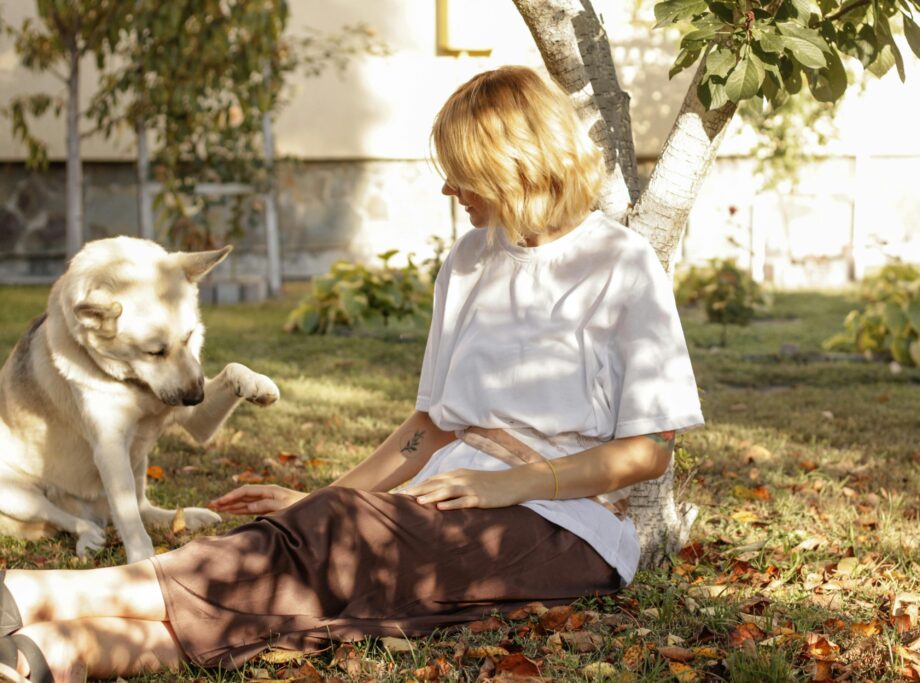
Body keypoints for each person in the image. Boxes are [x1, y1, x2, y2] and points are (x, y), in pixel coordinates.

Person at [0, 65, 702, 683]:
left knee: (343, 547)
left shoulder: (621, 266)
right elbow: (427, 431)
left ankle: (40, 595)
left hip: (565, 525)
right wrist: (316, 502)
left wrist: (506, 486)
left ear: (515, 163)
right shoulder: (467, 261)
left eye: (463, 169)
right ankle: (67, 648)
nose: (448, 186)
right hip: (448, 495)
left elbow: (649, 451)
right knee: (334, 580)